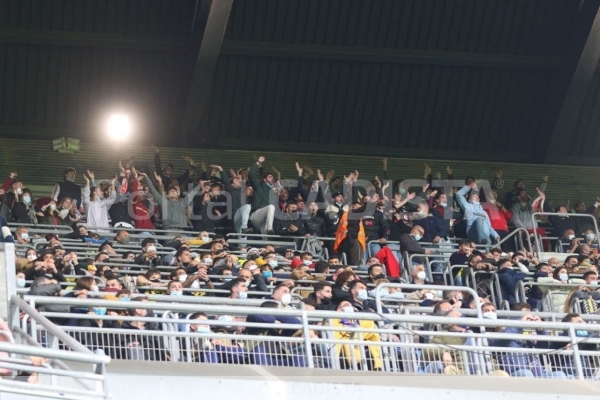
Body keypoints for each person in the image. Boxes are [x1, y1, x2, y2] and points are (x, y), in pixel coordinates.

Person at [488, 313, 566, 378]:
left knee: (560, 375)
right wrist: (520, 322)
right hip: (517, 373)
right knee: (527, 374)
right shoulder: (499, 341)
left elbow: (544, 346)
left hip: (539, 374)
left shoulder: (527, 340)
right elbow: (505, 336)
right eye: (507, 327)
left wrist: (540, 329)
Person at [329, 301, 383, 370]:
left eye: (351, 306)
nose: (349, 306)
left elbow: (372, 335)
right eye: (345, 305)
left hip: (361, 347)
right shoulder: (333, 319)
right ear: (338, 310)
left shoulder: (363, 320)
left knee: (369, 352)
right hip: (343, 351)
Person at [248, 156, 276, 234]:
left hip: (265, 220)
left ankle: (269, 234)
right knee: (271, 207)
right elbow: (251, 174)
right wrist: (258, 163)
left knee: (267, 241)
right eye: (270, 177)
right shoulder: (258, 186)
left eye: (273, 177)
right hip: (256, 216)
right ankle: (270, 229)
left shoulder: (273, 191)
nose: (272, 179)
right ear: (264, 179)